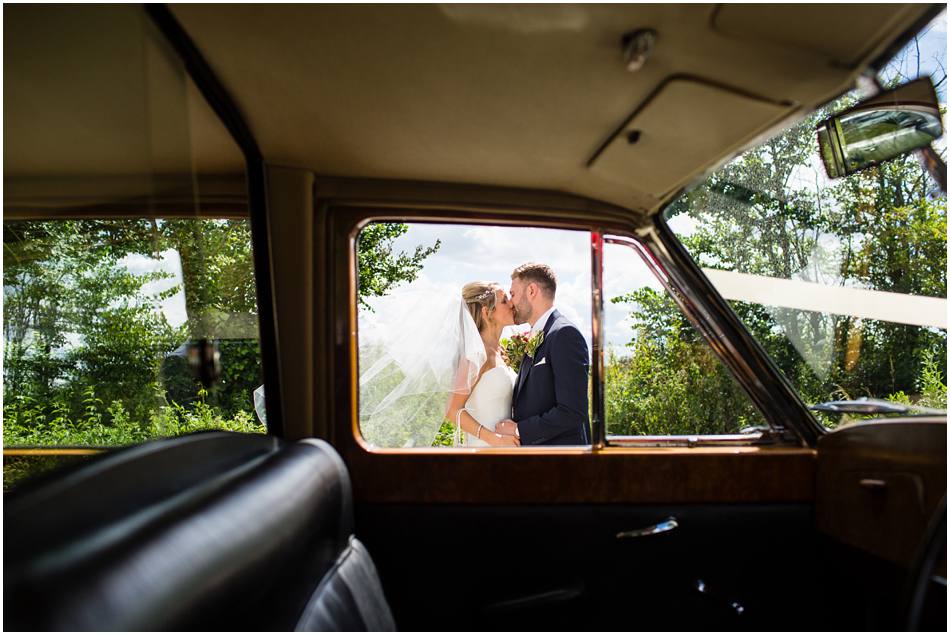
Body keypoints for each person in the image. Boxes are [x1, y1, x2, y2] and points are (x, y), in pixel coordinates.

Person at [495, 263, 590, 445]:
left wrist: (518, 429)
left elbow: (572, 411)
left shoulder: (564, 334)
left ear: (531, 291)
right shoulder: (539, 333)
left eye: (513, 294)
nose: (511, 302)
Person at [445, 282, 521, 447]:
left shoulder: (500, 351)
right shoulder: (476, 354)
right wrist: (495, 440)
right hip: (482, 447)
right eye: (504, 301)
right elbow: (452, 410)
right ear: (487, 313)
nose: (511, 304)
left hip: (505, 447)